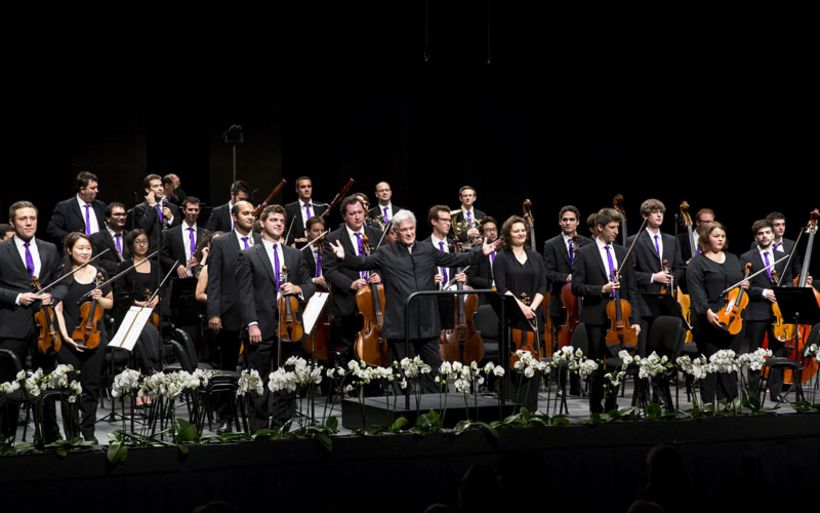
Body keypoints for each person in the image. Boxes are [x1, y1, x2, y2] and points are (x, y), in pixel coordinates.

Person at [328, 209, 498, 391]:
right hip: (400, 324)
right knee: (399, 376)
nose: (409, 233)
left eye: (411, 228)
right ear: (395, 232)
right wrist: (344, 257)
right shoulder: (386, 253)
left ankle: (432, 406)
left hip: (427, 322)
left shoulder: (427, 250)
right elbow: (363, 263)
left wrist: (481, 253)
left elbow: (454, 259)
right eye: (404, 230)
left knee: (433, 373)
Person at [236, 204, 314, 430]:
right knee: (259, 382)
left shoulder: (295, 254)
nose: (278, 224)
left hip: (289, 328)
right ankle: (259, 432)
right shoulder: (249, 255)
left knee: (287, 381)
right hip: (261, 326)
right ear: (262, 224)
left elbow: (309, 285)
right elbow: (245, 294)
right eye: (273, 220)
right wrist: (252, 323)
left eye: (281, 220)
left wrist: (298, 289)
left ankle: (283, 429)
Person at [0, 201, 62, 442]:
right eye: (23, 219)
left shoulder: (49, 248)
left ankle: (48, 436)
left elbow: (61, 283)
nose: (28, 223)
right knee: (8, 384)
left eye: (32, 218)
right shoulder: (2, 250)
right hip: (12, 325)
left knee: (45, 380)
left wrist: (52, 296)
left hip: (44, 325)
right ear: (13, 222)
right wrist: (17, 297)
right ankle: (5, 438)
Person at [572, 208, 641, 413]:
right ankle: (595, 406)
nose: (616, 232)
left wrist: (635, 320)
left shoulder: (622, 252)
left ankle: (612, 405)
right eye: (611, 227)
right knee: (597, 363)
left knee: (617, 362)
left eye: (617, 227)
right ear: (599, 227)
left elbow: (632, 289)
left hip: (621, 318)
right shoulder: (584, 253)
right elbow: (576, 286)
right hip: (596, 317)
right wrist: (600, 289)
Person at [52, 232, 113, 443]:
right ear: (69, 250)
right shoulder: (62, 273)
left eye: (88, 248)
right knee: (70, 388)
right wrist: (65, 336)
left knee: (91, 387)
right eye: (80, 248)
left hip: (95, 336)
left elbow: (110, 303)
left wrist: (100, 299)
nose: (85, 252)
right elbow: (57, 309)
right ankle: (72, 435)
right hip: (69, 338)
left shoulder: (100, 273)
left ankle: (88, 432)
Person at [206, 201, 259, 432]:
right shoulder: (221, 243)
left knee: (255, 366)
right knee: (227, 368)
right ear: (234, 216)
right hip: (229, 314)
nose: (251, 217)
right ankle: (226, 416)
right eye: (246, 213)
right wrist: (214, 313)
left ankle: (255, 415)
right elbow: (214, 280)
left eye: (253, 214)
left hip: (256, 315)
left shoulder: (261, 241)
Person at [686, 221, 748, 405]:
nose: (720, 239)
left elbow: (741, 284)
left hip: (734, 318)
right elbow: (696, 291)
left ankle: (728, 403)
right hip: (709, 318)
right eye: (716, 236)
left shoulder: (733, 259)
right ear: (706, 238)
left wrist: (746, 284)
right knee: (710, 363)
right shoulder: (697, 263)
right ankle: (708, 404)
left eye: (722, 236)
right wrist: (707, 310)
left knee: (730, 363)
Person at [493, 215, 547, 411]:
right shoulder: (501, 258)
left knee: (533, 361)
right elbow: (501, 288)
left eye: (523, 230)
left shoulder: (536, 256)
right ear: (508, 234)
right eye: (516, 231)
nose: (521, 233)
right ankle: (512, 407)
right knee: (512, 361)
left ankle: (530, 407)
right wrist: (521, 308)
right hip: (511, 317)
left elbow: (542, 285)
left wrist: (532, 307)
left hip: (533, 316)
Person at [741, 219, 797, 402]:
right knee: (755, 353)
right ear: (755, 237)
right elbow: (746, 286)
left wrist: (783, 291)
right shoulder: (747, 257)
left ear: (773, 234)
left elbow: (789, 280)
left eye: (767, 233)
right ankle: (753, 394)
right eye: (760, 234)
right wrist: (764, 292)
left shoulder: (783, 255)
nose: (764, 236)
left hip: (778, 312)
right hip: (757, 310)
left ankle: (775, 392)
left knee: (778, 352)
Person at [322, 196, 382, 364]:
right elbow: (329, 270)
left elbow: (386, 263)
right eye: (352, 213)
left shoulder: (376, 234)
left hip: (374, 303)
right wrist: (351, 284)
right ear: (344, 216)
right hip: (346, 304)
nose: (357, 217)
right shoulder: (332, 238)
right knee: (347, 353)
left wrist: (380, 276)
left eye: (360, 212)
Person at [626, 199, 685, 351]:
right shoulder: (634, 241)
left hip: (668, 302)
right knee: (644, 349)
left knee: (665, 349)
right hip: (645, 304)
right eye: (654, 212)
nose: (659, 215)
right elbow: (630, 275)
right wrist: (653, 277)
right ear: (645, 216)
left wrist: (672, 277)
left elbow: (679, 268)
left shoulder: (672, 240)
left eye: (661, 212)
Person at [112, 229, 163, 375]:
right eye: (138, 242)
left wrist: (157, 298)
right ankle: (148, 368)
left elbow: (162, 288)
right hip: (131, 314)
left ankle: (154, 366)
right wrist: (135, 303)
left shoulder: (155, 265)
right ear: (131, 244)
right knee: (143, 331)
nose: (142, 245)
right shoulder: (124, 266)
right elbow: (119, 292)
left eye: (144, 241)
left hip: (153, 312)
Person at [543, 206, 594, 343]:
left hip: (585, 301)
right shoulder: (551, 244)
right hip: (561, 301)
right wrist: (567, 277)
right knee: (560, 341)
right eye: (565, 220)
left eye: (572, 219)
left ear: (578, 222)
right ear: (560, 222)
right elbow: (548, 272)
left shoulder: (589, 244)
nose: (568, 223)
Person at [46, 171, 107, 244]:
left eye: (97, 187)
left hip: (99, 249)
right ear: (82, 190)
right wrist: (74, 240)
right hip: (76, 248)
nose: (97, 191)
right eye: (93, 188)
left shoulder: (101, 206)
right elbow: (53, 229)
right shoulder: (64, 207)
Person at [160, 196, 206, 279]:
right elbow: (163, 256)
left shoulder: (205, 233)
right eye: (190, 209)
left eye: (196, 210)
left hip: (199, 279)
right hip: (178, 278)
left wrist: (199, 260)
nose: (193, 212)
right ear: (184, 210)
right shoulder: (171, 233)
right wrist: (176, 265)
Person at [131, 173, 180, 246]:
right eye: (155, 186)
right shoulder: (140, 208)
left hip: (169, 249)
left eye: (161, 185)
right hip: (152, 249)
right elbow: (144, 229)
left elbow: (179, 232)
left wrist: (171, 218)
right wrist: (151, 207)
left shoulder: (173, 207)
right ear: (147, 190)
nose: (160, 189)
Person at [90, 201, 130, 277]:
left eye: (124, 214)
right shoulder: (96, 238)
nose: (122, 217)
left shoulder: (131, 236)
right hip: (108, 278)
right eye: (117, 214)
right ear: (108, 218)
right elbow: (96, 261)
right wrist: (119, 266)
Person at [284, 176, 327, 246]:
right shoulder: (290, 208)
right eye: (303, 187)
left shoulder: (321, 206)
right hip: (298, 246)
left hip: (318, 245)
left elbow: (326, 228)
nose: (307, 189)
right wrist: (294, 240)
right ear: (297, 190)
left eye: (309, 186)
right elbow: (284, 228)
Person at [467, 217, 499, 294]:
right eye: (488, 230)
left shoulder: (505, 251)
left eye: (494, 229)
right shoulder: (476, 252)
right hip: (485, 294)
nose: (492, 232)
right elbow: (472, 279)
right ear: (481, 234)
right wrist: (492, 283)